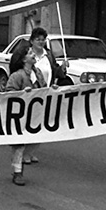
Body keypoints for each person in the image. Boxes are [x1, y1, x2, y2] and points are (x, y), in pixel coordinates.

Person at [24, 27, 70, 164]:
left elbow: (56, 72)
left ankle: (31, 151)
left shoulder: (48, 55)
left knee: (41, 125)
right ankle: (24, 153)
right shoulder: (26, 54)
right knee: (29, 124)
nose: (41, 42)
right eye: (38, 39)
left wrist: (62, 68)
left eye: (43, 39)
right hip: (29, 94)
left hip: (45, 94)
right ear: (32, 41)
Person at [6, 41, 50, 186]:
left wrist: (52, 90)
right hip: (19, 116)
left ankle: (18, 164)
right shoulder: (17, 76)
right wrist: (21, 94)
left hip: (35, 114)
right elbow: (8, 93)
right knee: (19, 144)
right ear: (24, 59)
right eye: (30, 53)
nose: (33, 55)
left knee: (35, 140)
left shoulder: (37, 73)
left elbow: (43, 88)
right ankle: (18, 172)